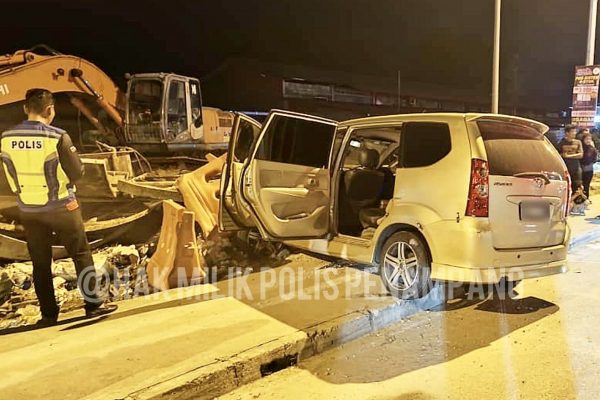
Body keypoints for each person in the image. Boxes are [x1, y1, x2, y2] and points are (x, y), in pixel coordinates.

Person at [0, 88, 117, 327]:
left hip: (29, 209)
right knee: (81, 255)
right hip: (62, 206)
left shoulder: (6, 138)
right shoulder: (57, 137)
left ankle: (48, 315)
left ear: (25, 108)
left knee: (41, 263)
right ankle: (93, 305)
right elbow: (77, 172)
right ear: (50, 110)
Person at [559, 125, 583, 194]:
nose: (575, 133)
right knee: (566, 187)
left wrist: (568, 156)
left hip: (576, 169)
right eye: (572, 131)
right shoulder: (561, 142)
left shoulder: (578, 142)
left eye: (575, 131)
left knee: (577, 186)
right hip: (566, 169)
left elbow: (581, 155)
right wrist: (563, 155)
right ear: (567, 133)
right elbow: (558, 154)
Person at [580, 133, 598, 199]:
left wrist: (589, 163)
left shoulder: (592, 149)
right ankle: (579, 198)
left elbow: (595, 159)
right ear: (583, 139)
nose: (588, 140)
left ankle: (586, 198)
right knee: (580, 185)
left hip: (589, 170)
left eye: (589, 139)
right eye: (586, 139)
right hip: (580, 170)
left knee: (586, 185)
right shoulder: (580, 147)